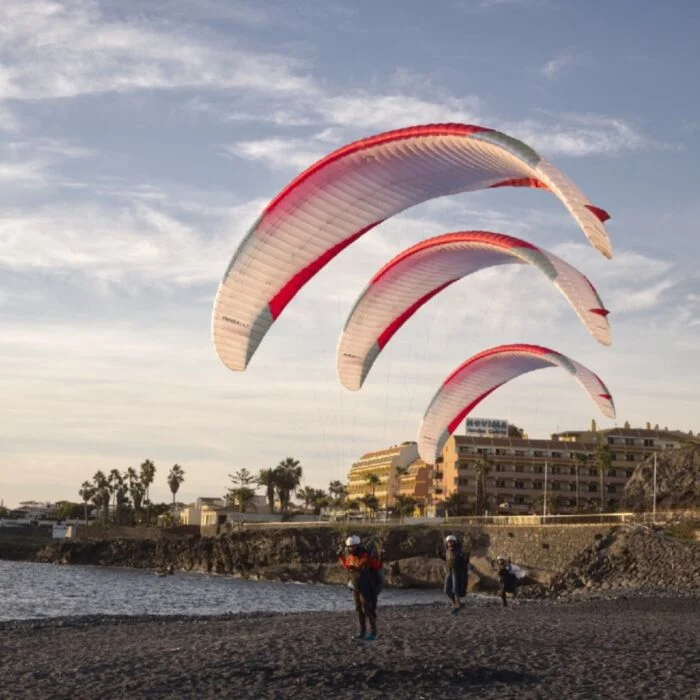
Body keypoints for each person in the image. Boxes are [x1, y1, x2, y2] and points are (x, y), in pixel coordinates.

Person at [338, 535, 383, 640]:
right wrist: (340, 557)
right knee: (359, 609)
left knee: (367, 609)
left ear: (358, 546)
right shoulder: (350, 557)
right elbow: (347, 566)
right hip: (356, 587)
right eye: (349, 547)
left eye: (353, 547)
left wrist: (381, 558)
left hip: (366, 586)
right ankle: (362, 631)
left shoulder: (367, 556)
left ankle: (373, 632)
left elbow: (378, 566)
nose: (351, 549)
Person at [443, 534, 469, 613]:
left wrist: (465, 556)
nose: (450, 543)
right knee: (447, 589)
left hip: (457, 572)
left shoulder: (459, 551)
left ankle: (457, 605)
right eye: (448, 542)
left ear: (455, 542)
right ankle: (457, 603)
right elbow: (447, 559)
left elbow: (464, 561)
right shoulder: (447, 551)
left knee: (455, 589)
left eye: (451, 542)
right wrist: (439, 554)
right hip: (450, 571)